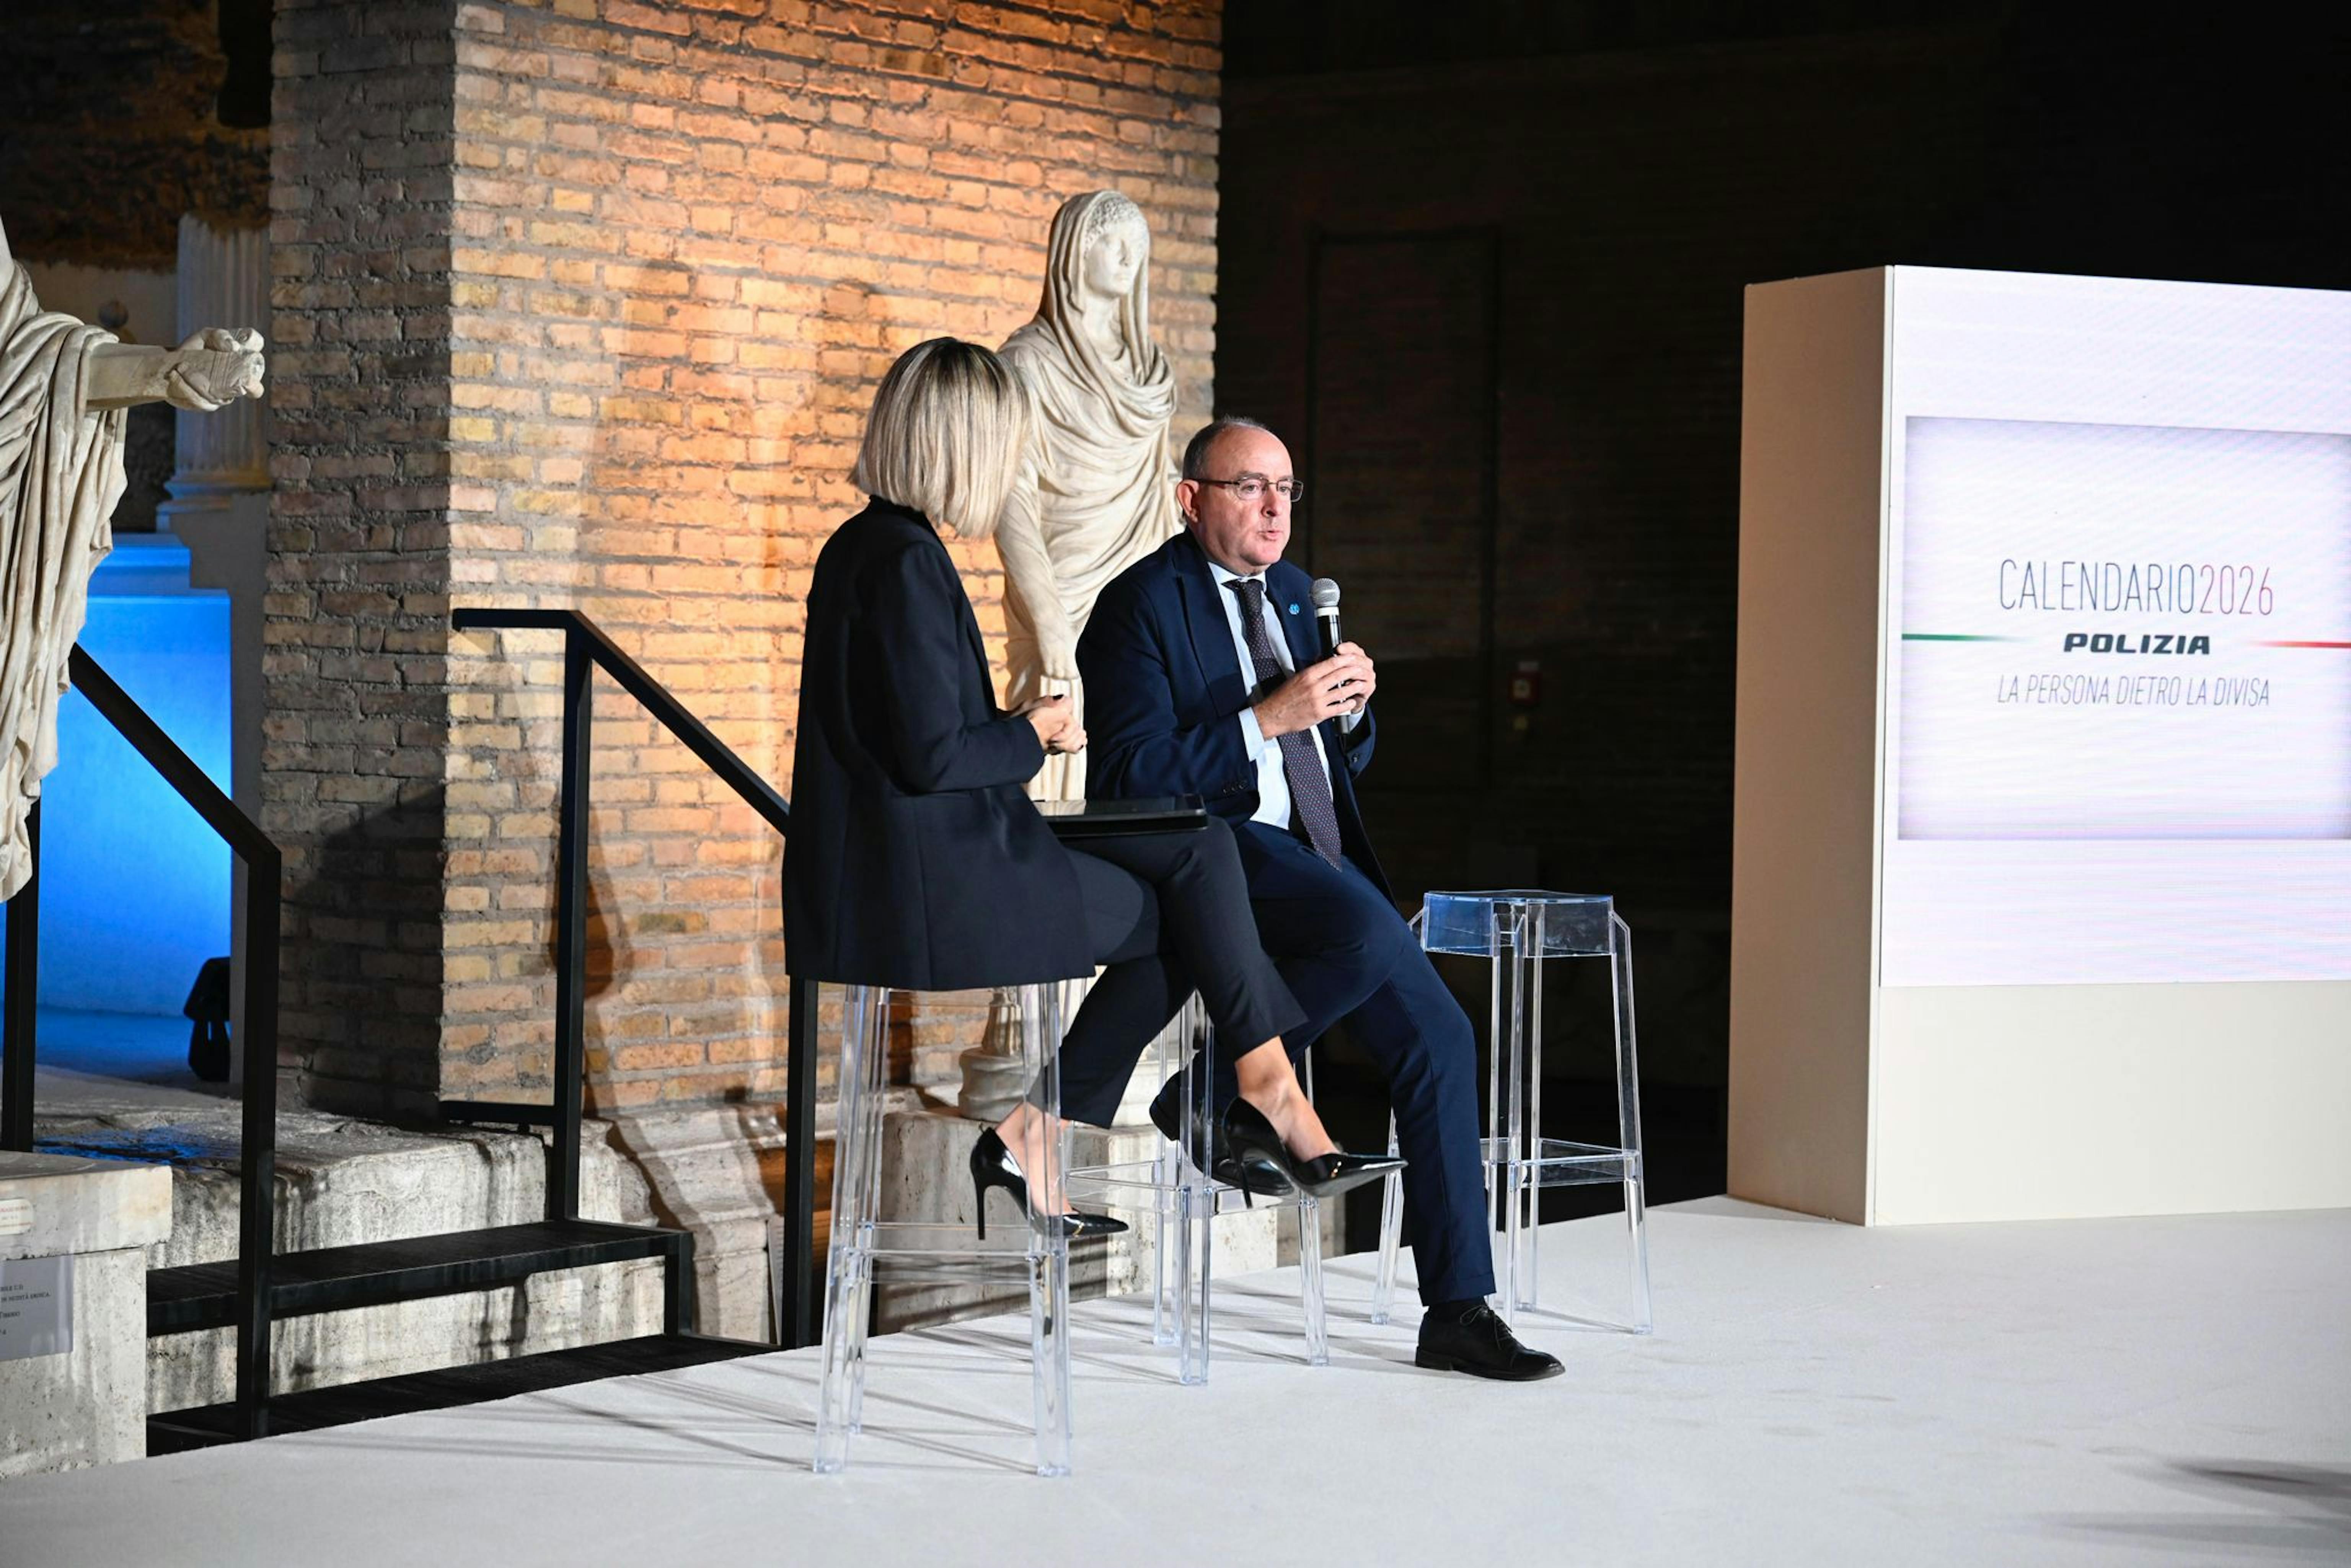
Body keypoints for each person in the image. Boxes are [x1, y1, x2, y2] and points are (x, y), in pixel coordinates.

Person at [782, 343, 1393, 1239]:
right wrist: (1034, 730)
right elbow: (932, 760)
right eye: (1007, 443)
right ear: (963, 443)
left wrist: (1017, 723)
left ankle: (1050, 1129)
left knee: (1197, 859)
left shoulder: (867, 548)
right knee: (1198, 894)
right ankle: (1265, 1089)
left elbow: (910, 735)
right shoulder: (906, 560)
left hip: (917, 861)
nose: (1012, 468)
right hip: (936, 882)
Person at [1077, 415, 1564, 1380]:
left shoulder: (1299, 596)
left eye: (1288, 489)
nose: (1274, 508)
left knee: (1442, 1038)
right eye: (1250, 487)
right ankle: (1222, 1093)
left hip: (1315, 854)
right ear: (1191, 499)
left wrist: (1352, 711)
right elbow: (1129, 774)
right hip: (1213, 851)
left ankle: (1457, 1310)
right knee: (1367, 932)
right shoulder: (1137, 606)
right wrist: (1270, 715)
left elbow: (1332, 761)